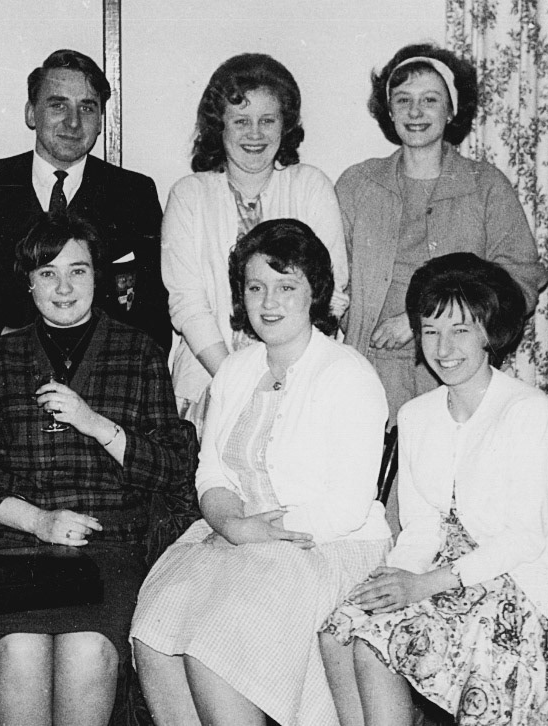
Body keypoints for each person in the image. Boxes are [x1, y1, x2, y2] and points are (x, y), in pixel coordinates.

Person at [322, 253, 548, 726]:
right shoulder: (416, 415)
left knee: (376, 646)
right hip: (449, 576)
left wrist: (423, 586)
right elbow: (421, 527)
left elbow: (525, 539)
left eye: (460, 329)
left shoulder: (527, 411)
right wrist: (393, 580)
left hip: (529, 588)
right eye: (430, 330)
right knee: (341, 630)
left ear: (488, 333)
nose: (443, 347)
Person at [131, 219, 391, 726]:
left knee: (215, 648)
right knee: (154, 631)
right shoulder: (236, 368)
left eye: (286, 286)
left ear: (315, 293)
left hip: (325, 544)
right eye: (256, 287)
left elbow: (347, 505)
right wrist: (232, 525)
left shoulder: (348, 374)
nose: (269, 302)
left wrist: (261, 535)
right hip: (237, 535)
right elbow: (211, 474)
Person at [0, 214, 197, 726]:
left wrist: (96, 424)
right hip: (16, 549)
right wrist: (38, 520)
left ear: (98, 277)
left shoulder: (141, 353)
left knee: (89, 652)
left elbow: (174, 470)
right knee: (17, 653)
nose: (63, 287)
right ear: (29, 281)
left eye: (78, 271)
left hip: (109, 549)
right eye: (47, 273)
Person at [0, 48, 170, 363]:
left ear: (101, 122)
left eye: (87, 107)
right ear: (31, 113)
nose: (73, 122)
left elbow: (156, 308)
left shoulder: (133, 194)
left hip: (105, 387)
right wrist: (8, 345)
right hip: (3, 383)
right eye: (58, 104)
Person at [338, 43, 548, 425]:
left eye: (430, 99)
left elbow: (521, 279)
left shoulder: (486, 185)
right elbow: (330, 277)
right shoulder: (358, 184)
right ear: (389, 111)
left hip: (458, 366)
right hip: (372, 366)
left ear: (451, 109)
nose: (415, 112)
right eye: (403, 100)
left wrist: (419, 320)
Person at [162, 53, 348, 430]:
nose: (255, 134)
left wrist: (285, 378)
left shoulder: (310, 186)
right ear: (219, 127)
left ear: (285, 125)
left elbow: (331, 291)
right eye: (241, 121)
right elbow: (187, 304)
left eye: (267, 120)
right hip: (207, 383)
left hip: (302, 383)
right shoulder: (189, 195)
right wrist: (236, 379)